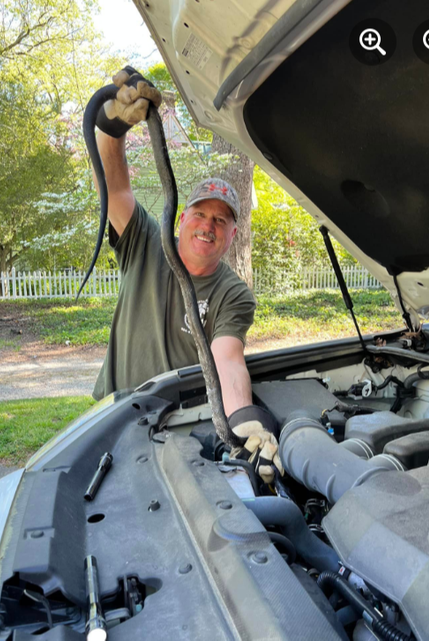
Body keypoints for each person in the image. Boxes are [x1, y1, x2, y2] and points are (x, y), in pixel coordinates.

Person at [90, 67, 284, 484]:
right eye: (200, 213)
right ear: (180, 219)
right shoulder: (144, 240)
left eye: (221, 220)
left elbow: (227, 361)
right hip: (109, 417)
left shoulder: (233, 293)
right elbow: (115, 187)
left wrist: (245, 423)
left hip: (171, 432)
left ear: (233, 234)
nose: (208, 226)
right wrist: (112, 128)